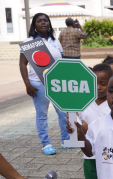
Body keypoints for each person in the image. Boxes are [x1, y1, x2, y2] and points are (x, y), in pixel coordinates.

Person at [19, 13, 69, 155]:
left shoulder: (55, 41)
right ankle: (46, 144)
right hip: (38, 84)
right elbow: (23, 64)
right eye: (39, 21)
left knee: (63, 112)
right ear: (34, 24)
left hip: (56, 83)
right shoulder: (30, 41)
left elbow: (61, 62)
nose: (43, 23)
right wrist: (27, 84)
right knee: (42, 114)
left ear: (49, 23)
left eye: (45, 20)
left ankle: (66, 140)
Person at [67, 64, 112, 179]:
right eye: (94, 83)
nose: (98, 87)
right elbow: (77, 126)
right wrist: (73, 128)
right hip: (90, 155)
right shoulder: (83, 103)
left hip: (109, 154)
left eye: (103, 84)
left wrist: (87, 128)